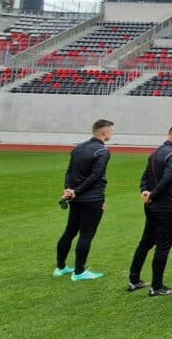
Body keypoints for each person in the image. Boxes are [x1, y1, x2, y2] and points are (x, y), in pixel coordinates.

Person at [128, 123, 172, 296]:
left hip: (151, 205)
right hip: (166, 206)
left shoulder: (155, 152)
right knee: (163, 245)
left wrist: (146, 193)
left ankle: (134, 280)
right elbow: (168, 179)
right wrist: (153, 194)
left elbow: (145, 177)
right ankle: (157, 286)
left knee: (146, 242)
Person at [55, 119, 114, 281]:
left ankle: (60, 267)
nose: (112, 134)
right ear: (104, 133)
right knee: (86, 234)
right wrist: (76, 190)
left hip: (75, 197)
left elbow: (69, 171)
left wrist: (69, 189)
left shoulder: (78, 148)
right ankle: (79, 271)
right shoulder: (102, 151)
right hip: (92, 198)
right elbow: (95, 176)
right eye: (111, 131)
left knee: (70, 231)